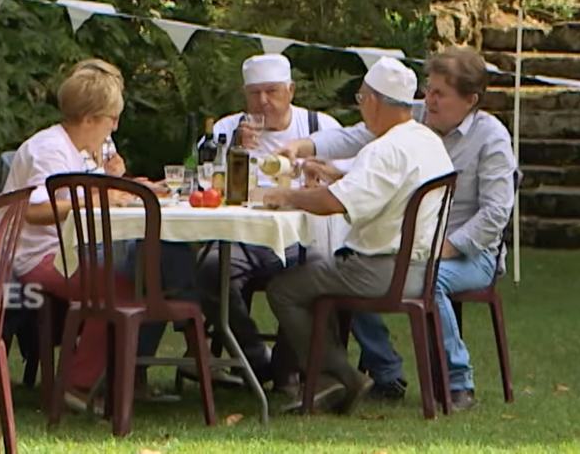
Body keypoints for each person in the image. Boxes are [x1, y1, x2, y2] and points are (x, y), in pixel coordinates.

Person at [283, 49, 514, 409]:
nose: (429, 101)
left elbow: (496, 214)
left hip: (470, 250)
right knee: (356, 257)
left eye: (440, 94)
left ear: (470, 100)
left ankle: (458, 382)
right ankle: (386, 371)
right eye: (428, 90)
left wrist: (445, 247)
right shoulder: (417, 119)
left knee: (423, 276)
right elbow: (363, 137)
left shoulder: (492, 138)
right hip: (414, 243)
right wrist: (307, 145)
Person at [262, 57, 455, 414]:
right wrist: (335, 176)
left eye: (361, 97)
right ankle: (329, 378)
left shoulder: (386, 148)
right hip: (421, 269)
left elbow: (333, 204)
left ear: (374, 102)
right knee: (314, 275)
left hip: (382, 271)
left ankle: (338, 377)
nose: (360, 105)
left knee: (284, 288)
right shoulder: (425, 140)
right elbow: (377, 190)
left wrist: (285, 196)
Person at [189, 53, 343, 387]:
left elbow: (349, 180)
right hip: (241, 240)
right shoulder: (227, 129)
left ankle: (287, 368)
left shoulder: (320, 128)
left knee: (317, 273)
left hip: (299, 240)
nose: (263, 101)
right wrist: (233, 153)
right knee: (209, 269)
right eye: (254, 93)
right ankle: (254, 358)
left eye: (272, 91)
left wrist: (319, 177)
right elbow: (197, 181)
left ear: (291, 90)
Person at [0, 59, 140, 412]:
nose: (114, 127)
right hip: (35, 253)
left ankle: (98, 380)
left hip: (67, 249)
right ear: (90, 118)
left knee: (120, 283)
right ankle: (76, 384)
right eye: (111, 119)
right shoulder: (50, 150)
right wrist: (93, 198)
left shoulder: (73, 147)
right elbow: (34, 210)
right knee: (118, 291)